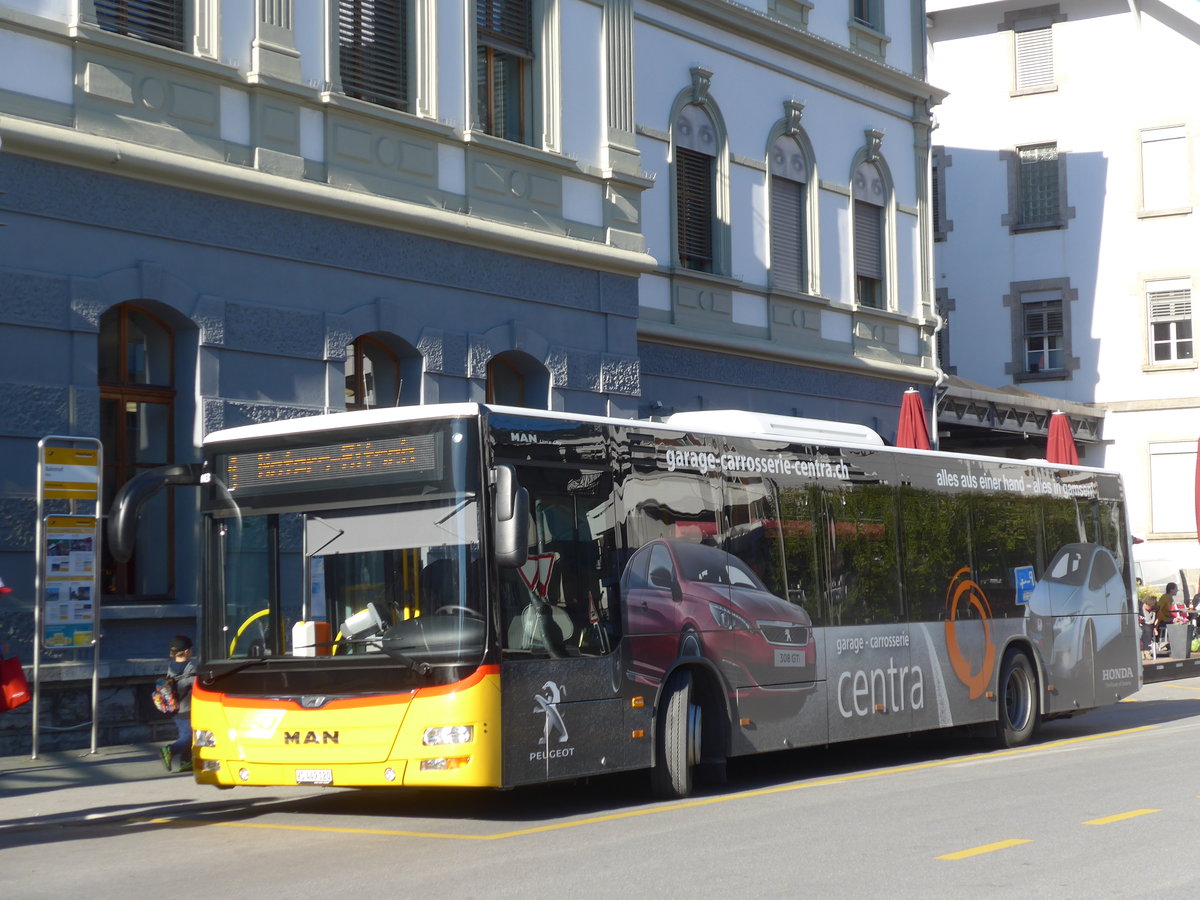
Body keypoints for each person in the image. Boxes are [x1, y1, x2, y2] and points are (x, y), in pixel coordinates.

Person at [161, 634, 196, 773]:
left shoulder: (171, 667)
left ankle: (186, 762)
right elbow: (195, 684)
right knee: (190, 736)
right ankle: (170, 750)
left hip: (173, 707)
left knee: (188, 735)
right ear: (187, 651)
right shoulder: (191, 668)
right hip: (187, 708)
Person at [1139, 595, 1158, 660]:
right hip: (1140, 624)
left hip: (1149, 625)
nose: (1150, 609)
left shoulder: (1154, 609)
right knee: (1141, 633)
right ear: (1146, 604)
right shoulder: (1139, 608)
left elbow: (1157, 618)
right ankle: (1141, 652)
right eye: (1149, 607)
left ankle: (1147, 652)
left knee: (1148, 631)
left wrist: (1155, 628)